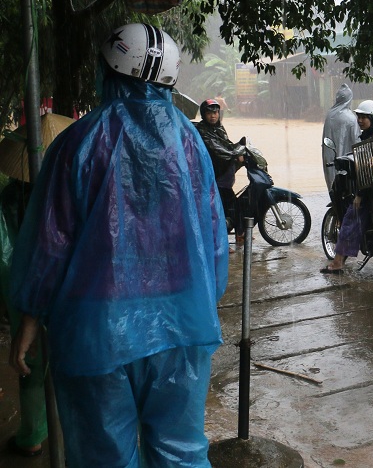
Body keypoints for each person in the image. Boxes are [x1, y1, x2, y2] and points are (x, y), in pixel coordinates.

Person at [8, 23, 228, 467]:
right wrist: (199, 304)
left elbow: (52, 241)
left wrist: (29, 319)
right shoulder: (190, 144)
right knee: (181, 452)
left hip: (98, 329)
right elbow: (213, 242)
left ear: (107, 71)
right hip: (180, 326)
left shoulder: (78, 141)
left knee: (104, 455)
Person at [0, 179, 46, 457]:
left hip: (22, 289)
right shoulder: (68, 180)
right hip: (75, 296)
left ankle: (32, 436)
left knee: (30, 362)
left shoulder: (10, 194)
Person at [321, 100, 373, 274]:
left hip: (372, 190)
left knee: (351, 217)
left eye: (364, 117)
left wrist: (359, 194)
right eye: (359, 116)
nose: (360, 120)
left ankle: (338, 262)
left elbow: (370, 172)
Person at [196, 98, 245, 249]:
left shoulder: (219, 128)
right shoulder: (202, 130)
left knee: (231, 206)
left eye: (215, 112)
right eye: (209, 113)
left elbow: (227, 144)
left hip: (224, 175)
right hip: (214, 176)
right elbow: (217, 149)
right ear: (204, 114)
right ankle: (220, 243)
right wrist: (234, 153)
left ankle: (240, 234)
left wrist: (242, 147)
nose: (213, 116)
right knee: (221, 210)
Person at [322, 83, 360, 196]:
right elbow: (357, 142)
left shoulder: (329, 115)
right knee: (347, 188)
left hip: (329, 158)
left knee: (333, 186)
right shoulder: (351, 118)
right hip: (346, 161)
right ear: (349, 99)